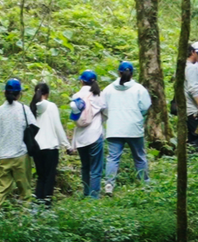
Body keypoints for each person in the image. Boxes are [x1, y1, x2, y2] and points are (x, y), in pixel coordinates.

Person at [101, 62, 152, 195]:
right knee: (139, 157)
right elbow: (145, 107)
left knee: (113, 158)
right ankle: (144, 184)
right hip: (134, 128)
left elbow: (103, 107)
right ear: (133, 73)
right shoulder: (139, 89)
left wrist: (111, 116)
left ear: (119, 73)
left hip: (114, 128)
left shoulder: (108, 89)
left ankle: (109, 184)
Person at [0, 79, 36, 217]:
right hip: (20, 154)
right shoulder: (24, 109)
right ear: (19, 94)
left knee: (1, 188)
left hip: (2, 155)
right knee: (25, 189)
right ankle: (24, 218)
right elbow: (32, 127)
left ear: (4, 92)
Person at [69, 70, 107, 199]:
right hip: (95, 135)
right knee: (96, 168)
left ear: (81, 81)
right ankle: (94, 196)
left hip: (81, 137)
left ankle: (86, 192)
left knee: (85, 166)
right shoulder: (99, 96)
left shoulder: (76, 96)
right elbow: (106, 113)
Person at [29, 83, 68, 205]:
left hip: (36, 147)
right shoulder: (51, 106)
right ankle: (46, 205)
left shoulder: (31, 107)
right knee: (49, 177)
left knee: (41, 177)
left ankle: (37, 204)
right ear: (47, 94)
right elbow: (58, 127)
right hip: (50, 147)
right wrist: (66, 145)